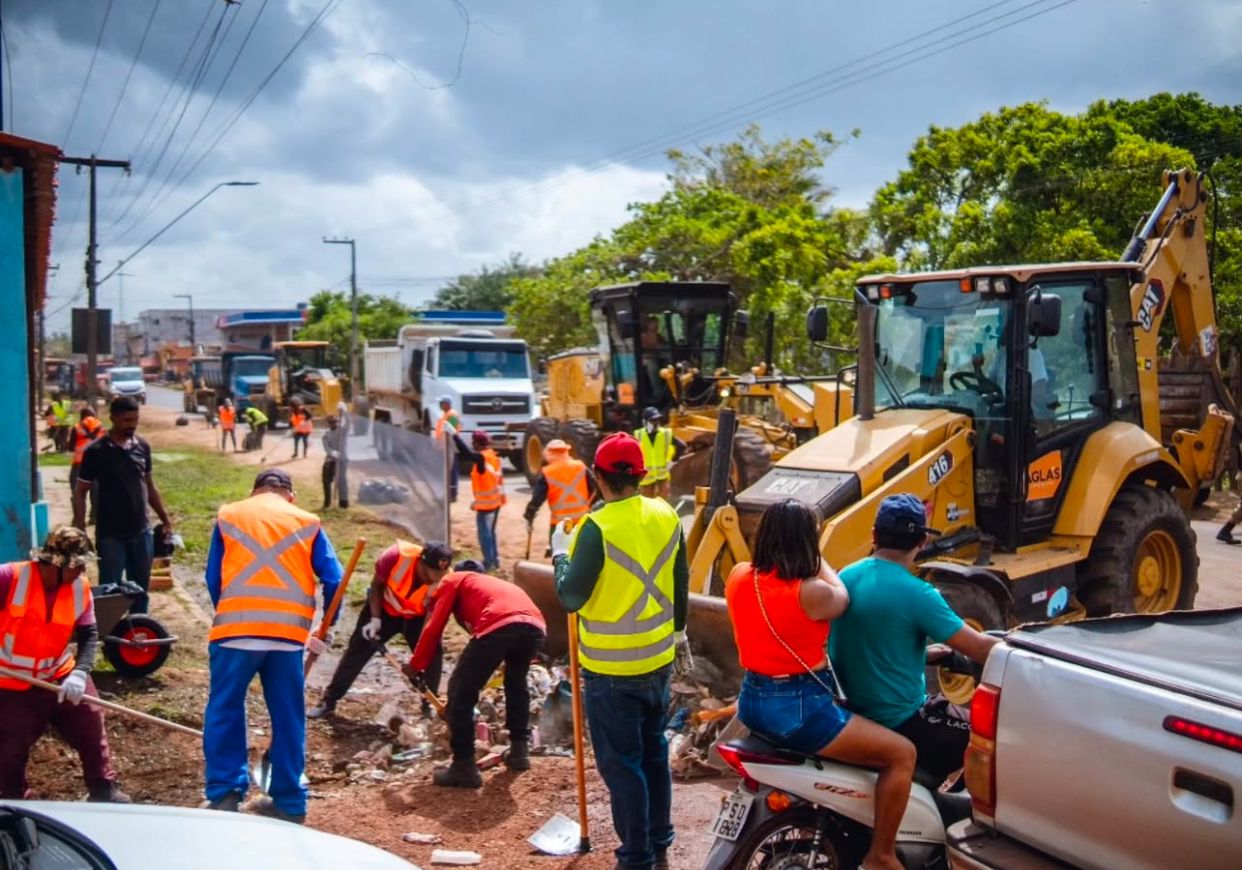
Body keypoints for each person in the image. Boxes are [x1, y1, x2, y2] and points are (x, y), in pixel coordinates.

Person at [726, 500, 914, 870]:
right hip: (800, 710)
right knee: (901, 754)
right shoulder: (811, 593)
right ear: (807, 543)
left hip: (752, 702)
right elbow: (842, 596)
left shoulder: (739, 576)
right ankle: (881, 855)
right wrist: (816, 554)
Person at [554, 432, 691, 870]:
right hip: (657, 659)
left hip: (611, 670)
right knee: (653, 753)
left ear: (598, 476)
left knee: (623, 766)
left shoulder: (597, 527)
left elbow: (571, 597)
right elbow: (681, 581)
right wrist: (678, 633)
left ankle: (636, 858)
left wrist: (560, 554)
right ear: (640, 475)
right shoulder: (666, 513)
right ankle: (659, 840)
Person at [202, 468, 344, 824]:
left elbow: (213, 576)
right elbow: (335, 578)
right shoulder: (308, 521)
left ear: (255, 492)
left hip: (236, 632)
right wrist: (326, 626)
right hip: (287, 637)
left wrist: (230, 610)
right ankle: (290, 802)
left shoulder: (229, 514)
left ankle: (224, 795)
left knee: (225, 709)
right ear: (290, 496)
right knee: (288, 716)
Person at [829, 493, 1001, 786]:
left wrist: (917, 654)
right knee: (991, 732)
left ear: (874, 535)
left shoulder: (846, 576)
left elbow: (869, 638)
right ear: (922, 542)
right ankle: (944, 805)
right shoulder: (920, 595)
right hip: (898, 720)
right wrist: (1023, 650)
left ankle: (921, 789)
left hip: (851, 711)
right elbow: (979, 648)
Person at [0, 527, 130, 803]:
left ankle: (103, 788)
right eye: (77, 566)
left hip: (59, 673)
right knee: (9, 746)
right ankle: (14, 799)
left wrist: (80, 673)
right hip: (10, 683)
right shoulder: (9, 579)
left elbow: (89, 635)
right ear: (55, 563)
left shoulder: (80, 589)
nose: (81, 572)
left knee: (90, 721)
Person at [406, 560, 547, 788]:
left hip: (500, 622)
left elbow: (434, 627)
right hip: (535, 626)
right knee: (515, 683)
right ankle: (520, 751)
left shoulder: (454, 580)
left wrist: (416, 663)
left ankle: (463, 767)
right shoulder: (494, 585)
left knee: (461, 690)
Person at [307, 540, 452, 720]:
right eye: (429, 573)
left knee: (433, 652)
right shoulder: (395, 556)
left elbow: (432, 619)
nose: (433, 578)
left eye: (438, 574)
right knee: (357, 649)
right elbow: (376, 586)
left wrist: (419, 657)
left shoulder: (447, 581)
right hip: (384, 610)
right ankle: (329, 701)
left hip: (417, 617)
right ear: (420, 561)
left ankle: (428, 704)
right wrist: (375, 619)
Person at [73, 397, 174, 615]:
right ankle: (112, 639)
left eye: (135, 419)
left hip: (141, 531)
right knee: (110, 591)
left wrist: (165, 519)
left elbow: (149, 485)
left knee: (140, 591)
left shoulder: (142, 447)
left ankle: (138, 632)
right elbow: (80, 491)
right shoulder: (96, 451)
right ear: (113, 418)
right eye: (127, 420)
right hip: (110, 534)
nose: (132, 424)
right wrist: (80, 528)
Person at [523, 439, 594, 557]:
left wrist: (529, 515)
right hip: (583, 520)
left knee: (561, 558)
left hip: (560, 524)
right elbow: (595, 487)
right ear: (566, 451)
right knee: (583, 557)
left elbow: (537, 499)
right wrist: (589, 505)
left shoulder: (548, 472)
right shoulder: (580, 466)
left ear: (550, 453)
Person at [452, 430, 505, 571]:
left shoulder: (481, 458)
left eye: (473, 441)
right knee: (491, 533)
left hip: (486, 505)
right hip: (496, 502)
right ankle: (494, 560)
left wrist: (455, 436)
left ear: (478, 442)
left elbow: (467, 454)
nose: (471, 444)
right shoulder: (493, 455)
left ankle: (489, 562)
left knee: (485, 535)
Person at [634, 407, 682, 501]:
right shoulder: (638, 435)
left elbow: (682, 446)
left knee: (662, 505)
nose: (656, 423)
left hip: (662, 476)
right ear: (644, 422)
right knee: (647, 506)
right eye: (652, 420)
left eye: (657, 420)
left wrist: (672, 461)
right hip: (646, 478)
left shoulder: (665, 433)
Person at [69, 406, 106, 524]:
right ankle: (94, 517)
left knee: (77, 492)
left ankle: (77, 519)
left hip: (79, 463)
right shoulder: (101, 427)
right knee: (96, 491)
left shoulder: (77, 427)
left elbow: (70, 447)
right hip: (98, 465)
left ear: (81, 416)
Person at [434, 396, 462, 502]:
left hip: (450, 445)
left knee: (451, 470)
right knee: (448, 470)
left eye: (441, 403)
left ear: (446, 404)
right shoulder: (446, 414)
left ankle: (452, 494)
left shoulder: (452, 415)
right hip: (445, 445)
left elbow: (452, 431)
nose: (439, 405)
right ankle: (449, 494)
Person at [321, 415, 349, 509]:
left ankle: (343, 503)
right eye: (331, 422)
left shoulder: (342, 431)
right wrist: (332, 452)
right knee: (326, 480)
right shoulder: (326, 435)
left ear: (338, 421)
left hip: (342, 460)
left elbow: (348, 424)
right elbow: (326, 447)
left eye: (335, 421)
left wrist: (345, 412)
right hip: (331, 460)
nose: (333, 424)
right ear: (328, 424)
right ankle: (327, 503)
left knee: (342, 481)